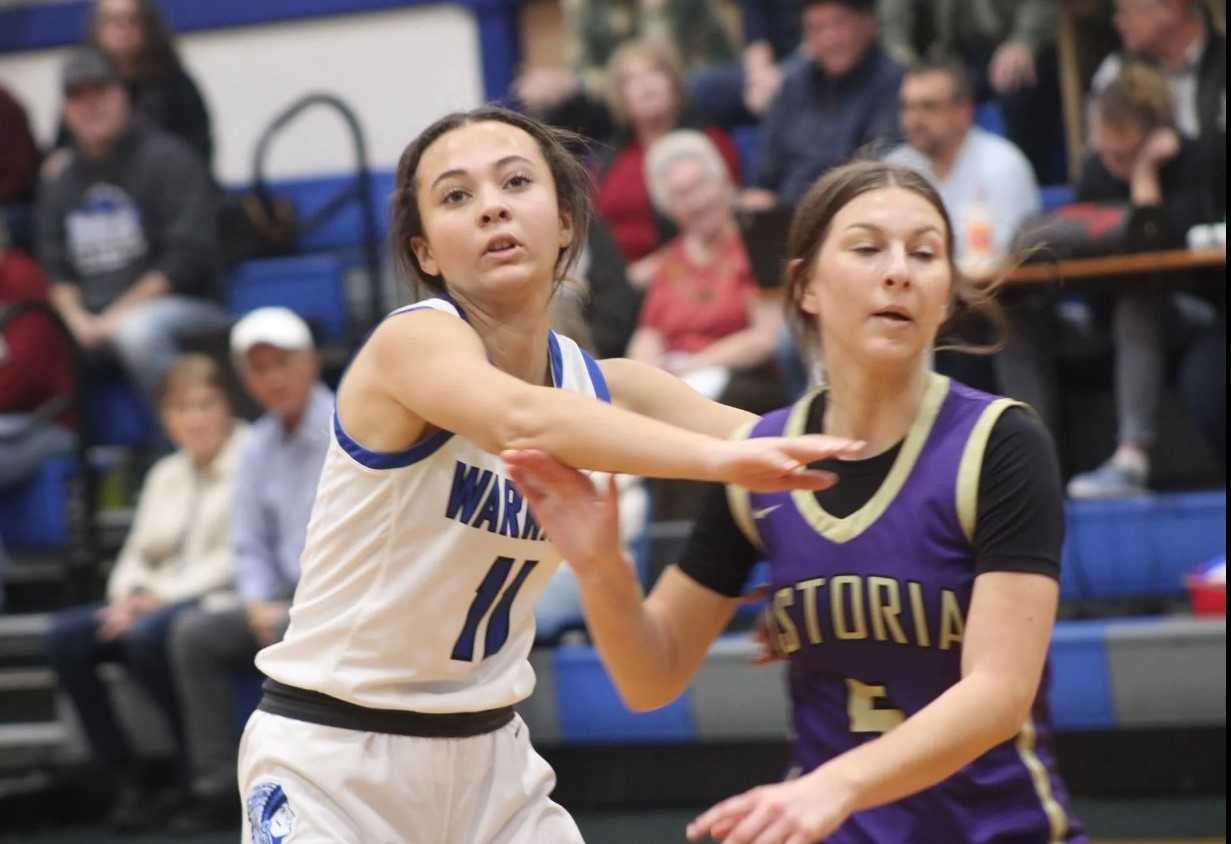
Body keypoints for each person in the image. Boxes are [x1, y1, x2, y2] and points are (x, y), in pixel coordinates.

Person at [236, 105, 854, 844]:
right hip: (335, 756)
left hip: (491, 761)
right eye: (456, 196)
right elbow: (520, 421)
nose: (491, 204)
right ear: (425, 251)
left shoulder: (609, 387)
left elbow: (799, 454)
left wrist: (819, 563)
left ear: (566, 223)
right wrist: (722, 463)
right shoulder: (413, 345)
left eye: (516, 181)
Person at [503, 160, 1085, 843]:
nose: (898, 270)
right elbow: (650, 677)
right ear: (805, 286)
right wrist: (601, 567)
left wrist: (834, 784)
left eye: (924, 253)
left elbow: (997, 692)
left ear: (945, 295)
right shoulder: (762, 457)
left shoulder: (999, 444)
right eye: (867, 248)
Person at [44, 355, 247, 831]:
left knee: (149, 637)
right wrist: (127, 597)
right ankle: (124, 774)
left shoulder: (250, 457)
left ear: (226, 407)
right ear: (167, 419)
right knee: (66, 637)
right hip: (150, 602)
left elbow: (238, 557)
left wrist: (160, 599)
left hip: (215, 598)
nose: (196, 418)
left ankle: (188, 769)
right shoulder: (164, 474)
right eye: (183, 408)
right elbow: (135, 552)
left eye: (206, 404)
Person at [167, 308, 333, 833]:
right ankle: (217, 786)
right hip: (277, 596)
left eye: (281, 363)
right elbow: (249, 542)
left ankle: (316, 790)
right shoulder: (258, 443)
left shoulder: (346, 428)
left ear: (309, 363)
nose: (273, 378)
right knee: (193, 635)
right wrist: (259, 599)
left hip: (331, 599)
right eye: (259, 369)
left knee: (291, 632)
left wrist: (294, 606)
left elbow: (354, 540)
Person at [37, 47, 228, 405]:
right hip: (90, 318)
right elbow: (55, 267)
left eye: (100, 93)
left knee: (138, 332)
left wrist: (115, 318)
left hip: (181, 309)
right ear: (66, 111)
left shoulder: (168, 158)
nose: (91, 106)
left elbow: (185, 261)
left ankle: (181, 444)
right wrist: (78, 320)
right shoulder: (58, 177)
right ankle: (67, 449)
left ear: (122, 94)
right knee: (32, 334)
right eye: (79, 97)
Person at [629, 130, 783, 407]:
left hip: (740, 381)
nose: (697, 201)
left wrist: (695, 365)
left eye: (701, 185)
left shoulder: (755, 243)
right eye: (681, 195)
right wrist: (645, 377)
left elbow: (766, 337)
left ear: (724, 183)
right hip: (677, 379)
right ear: (669, 208)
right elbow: (649, 333)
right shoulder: (672, 258)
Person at [592, 39, 742, 267]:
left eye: (654, 72)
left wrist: (658, 268)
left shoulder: (710, 143)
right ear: (621, 98)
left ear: (673, 82)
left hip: (689, 272)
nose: (645, 85)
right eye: (630, 80)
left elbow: (728, 222)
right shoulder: (610, 160)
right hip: (615, 279)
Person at [878, 0, 1064, 183]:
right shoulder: (896, 163)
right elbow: (894, 17)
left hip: (1016, 44)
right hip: (951, 51)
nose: (913, 119)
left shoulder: (1003, 167)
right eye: (907, 108)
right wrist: (906, 66)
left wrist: (1025, 40)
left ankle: (1035, 179)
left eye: (927, 107)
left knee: (1018, 82)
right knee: (907, 84)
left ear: (964, 111)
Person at [742, 0, 902, 208]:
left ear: (867, 23)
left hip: (850, 209)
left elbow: (876, 168)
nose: (829, 39)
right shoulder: (794, 82)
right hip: (783, 215)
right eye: (816, 28)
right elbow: (767, 168)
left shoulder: (892, 83)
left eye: (838, 24)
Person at [70, 0, 214, 169]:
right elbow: (64, 149)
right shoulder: (81, 86)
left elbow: (198, 151)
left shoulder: (175, 83)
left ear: (147, 26)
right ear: (97, 28)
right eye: (113, 21)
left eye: (132, 20)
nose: (123, 30)